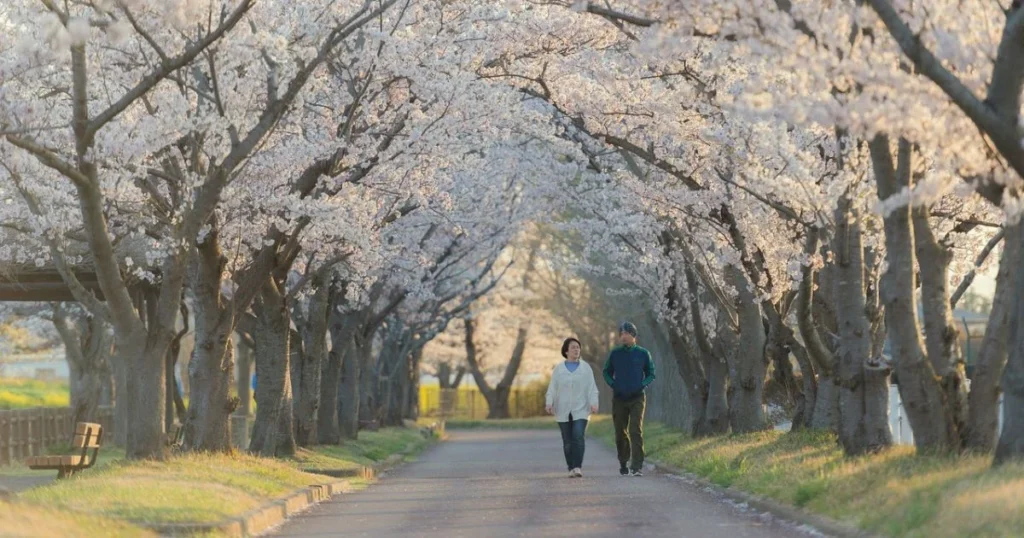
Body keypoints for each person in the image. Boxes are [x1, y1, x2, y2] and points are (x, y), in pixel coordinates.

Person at [603, 321, 655, 477]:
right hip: (619, 398)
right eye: (621, 333)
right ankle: (623, 461)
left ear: (633, 335)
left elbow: (651, 373)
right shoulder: (615, 354)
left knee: (635, 430)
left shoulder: (643, 354)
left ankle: (637, 466)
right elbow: (606, 372)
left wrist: (642, 385)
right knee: (620, 432)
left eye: (626, 333)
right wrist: (613, 384)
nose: (623, 336)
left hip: (637, 397)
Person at [545, 337, 599, 478]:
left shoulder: (585, 368)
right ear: (566, 351)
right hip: (562, 409)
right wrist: (549, 402)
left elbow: (592, 388)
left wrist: (594, 403)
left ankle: (577, 467)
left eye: (578, 347)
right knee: (567, 441)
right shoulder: (559, 369)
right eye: (573, 347)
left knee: (578, 436)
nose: (577, 350)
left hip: (581, 408)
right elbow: (552, 388)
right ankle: (570, 467)